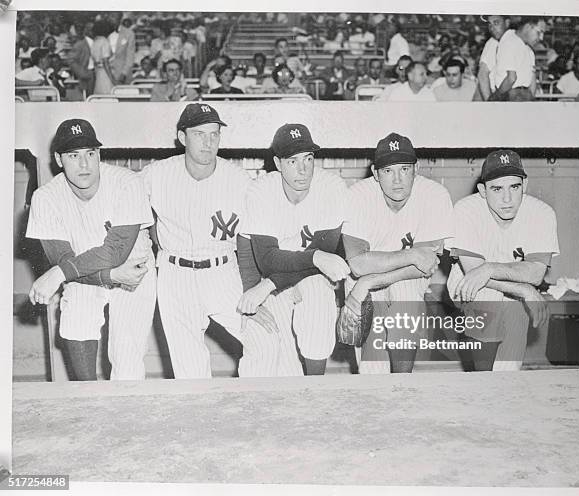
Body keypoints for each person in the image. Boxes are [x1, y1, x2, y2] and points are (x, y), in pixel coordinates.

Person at [140, 103, 276, 378]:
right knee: (189, 371)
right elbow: (131, 211)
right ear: (182, 137)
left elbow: (252, 238)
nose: (208, 142)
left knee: (265, 339)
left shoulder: (238, 179)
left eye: (214, 134)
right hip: (175, 275)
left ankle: (252, 406)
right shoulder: (156, 174)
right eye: (200, 134)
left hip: (223, 270)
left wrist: (253, 289)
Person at [26, 119, 156, 381]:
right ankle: (89, 398)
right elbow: (64, 260)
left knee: (126, 358)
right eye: (73, 155)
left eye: (90, 154)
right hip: (83, 272)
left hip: (133, 272)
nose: (84, 164)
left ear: (99, 154)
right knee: (75, 325)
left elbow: (117, 250)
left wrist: (57, 274)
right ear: (59, 159)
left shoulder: (127, 183)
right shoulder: (46, 197)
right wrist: (104, 276)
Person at [237, 124, 350, 376]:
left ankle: (317, 385)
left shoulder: (331, 186)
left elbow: (325, 253)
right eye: (292, 161)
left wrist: (268, 285)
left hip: (305, 277)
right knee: (273, 355)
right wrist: (256, 288)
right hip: (270, 275)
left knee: (318, 298)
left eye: (308, 159)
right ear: (277, 163)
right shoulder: (261, 189)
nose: (303, 169)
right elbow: (265, 259)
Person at [342, 133, 453, 374]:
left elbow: (426, 264)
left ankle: (403, 384)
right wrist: (411, 255)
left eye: (404, 169)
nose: (397, 180)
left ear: (417, 169)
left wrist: (370, 281)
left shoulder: (435, 195)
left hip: (399, 280)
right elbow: (358, 265)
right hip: (359, 281)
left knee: (407, 302)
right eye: (388, 171)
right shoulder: (357, 196)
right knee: (373, 370)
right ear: (375, 172)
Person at [447, 150, 559, 371]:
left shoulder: (542, 213)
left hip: (510, 286)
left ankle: (499, 387)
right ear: (483, 190)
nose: (507, 199)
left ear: (524, 186)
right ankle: (483, 378)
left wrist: (489, 268)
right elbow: (474, 273)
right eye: (497, 189)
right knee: (486, 297)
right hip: (466, 283)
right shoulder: (466, 210)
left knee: (509, 367)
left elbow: (535, 273)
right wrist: (525, 290)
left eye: (514, 187)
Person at [490, 19, 541, 101]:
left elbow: (512, 79)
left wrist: (495, 97)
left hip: (513, 96)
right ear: (527, 27)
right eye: (539, 33)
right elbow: (531, 84)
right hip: (520, 96)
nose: (541, 38)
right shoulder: (511, 43)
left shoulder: (527, 49)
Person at [476, 15, 509, 101]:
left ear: (507, 23)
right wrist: (489, 102)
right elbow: (482, 75)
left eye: (496, 23)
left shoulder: (514, 41)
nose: (492, 28)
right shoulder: (493, 43)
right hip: (491, 92)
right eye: (490, 25)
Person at [67, 23, 94, 97]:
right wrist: (83, 73)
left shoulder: (99, 41)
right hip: (88, 76)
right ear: (86, 31)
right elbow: (70, 60)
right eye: (91, 29)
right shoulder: (80, 44)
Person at [91, 20, 116, 94]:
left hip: (98, 72)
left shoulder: (95, 41)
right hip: (105, 73)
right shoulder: (104, 41)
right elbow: (105, 62)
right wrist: (112, 79)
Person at [109, 16, 136, 85]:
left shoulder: (129, 34)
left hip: (122, 73)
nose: (111, 19)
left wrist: (124, 73)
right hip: (106, 73)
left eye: (114, 16)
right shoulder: (103, 32)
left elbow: (130, 56)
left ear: (119, 19)